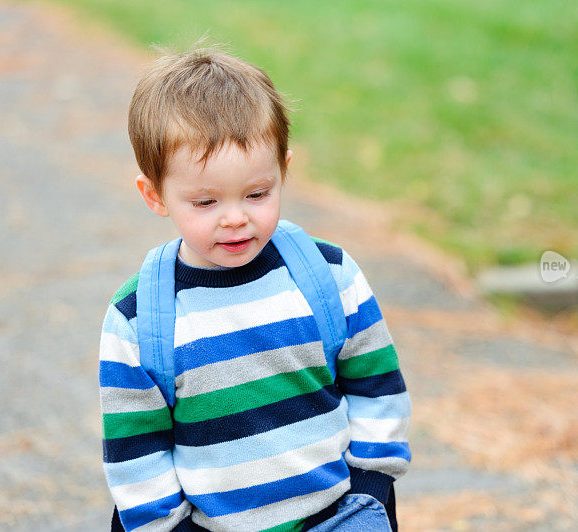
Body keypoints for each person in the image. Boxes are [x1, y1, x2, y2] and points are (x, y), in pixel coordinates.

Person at [99, 47, 411, 531]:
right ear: (155, 195)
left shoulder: (328, 276)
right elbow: (136, 452)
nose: (235, 217)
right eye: (205, 201)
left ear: (283, 169)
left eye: (257, 193)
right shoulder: (140, 318)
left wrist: (373, 484)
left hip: (335, 514)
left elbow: (377, 385)